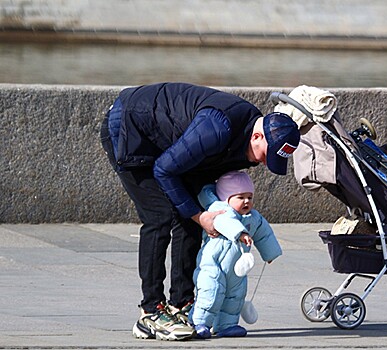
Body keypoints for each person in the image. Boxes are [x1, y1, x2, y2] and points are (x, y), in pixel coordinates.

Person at [99, 82, 300, 341]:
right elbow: (164, 169)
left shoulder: (247, 135)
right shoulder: (218, 128)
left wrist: (204, 214)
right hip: (130, 126)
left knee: (192, 211)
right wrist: (199, 216)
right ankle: (150, 313)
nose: (263, 163)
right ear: (257, 136)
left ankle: (180, 304)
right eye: (266, 155)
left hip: (166, 140)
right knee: (159, 216)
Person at [190, 170, 282, 339]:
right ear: (227, 198)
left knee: (235, 296)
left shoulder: (253, 217)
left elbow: (264, 233)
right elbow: (223, 222)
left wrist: (269, 253)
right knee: (211, 292)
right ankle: (199, 322)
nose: (246, 201)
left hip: (236, 270)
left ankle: (227, 324)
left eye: (250, 197)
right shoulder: (219, 210)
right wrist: (240, 233)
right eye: (240, 197)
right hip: (213, 265)